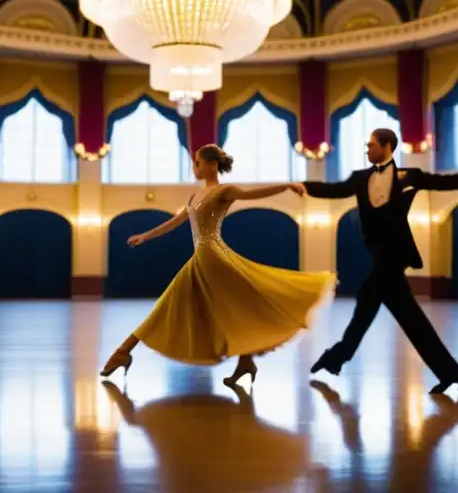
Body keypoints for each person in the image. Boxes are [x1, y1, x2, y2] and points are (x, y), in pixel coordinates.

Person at [100, 143, 337, 386]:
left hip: (213, 257)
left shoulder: (225, 191)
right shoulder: (194, 196)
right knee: (219, 309)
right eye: (194, 163)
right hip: (204, 257)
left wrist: (286, 186)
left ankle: (123, 352)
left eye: (198, 163)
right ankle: (245, 361)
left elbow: (253, 194)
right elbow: (175, 221)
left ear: (212, 165)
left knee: (176, 306)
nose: (195, 167)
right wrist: (145, 235)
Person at [304, 128, 458, 393]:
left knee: (366, 302)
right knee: (404, 315)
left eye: (371, 145)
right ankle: (450, 372)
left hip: (396, 255)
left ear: (387, 146)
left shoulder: (410, 176)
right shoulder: (361, 178)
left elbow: (444, 182)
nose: (367, 149)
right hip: (379, 254)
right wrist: (303, 187)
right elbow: (335, 190)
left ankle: (336, 358)